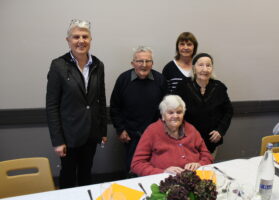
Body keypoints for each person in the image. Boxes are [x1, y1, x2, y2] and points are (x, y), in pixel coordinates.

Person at [46, 19, 107, 188]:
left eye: (85, 36)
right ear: (68, 41)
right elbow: (52, 106)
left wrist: (102, 130)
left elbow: (100, 100)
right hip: (69, 135)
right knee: (68, 175)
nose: (81, 41)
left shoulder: (98, 65)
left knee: (86, 173)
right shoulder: (58, 65)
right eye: (76, 37)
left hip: (91, 133)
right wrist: (57, 140)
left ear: (90, 39)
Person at [110, 46, 167, 174]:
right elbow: (115, 107)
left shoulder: (160, 80)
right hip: (131, 137)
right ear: (133, 63)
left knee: (154, 171)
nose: (144, 65)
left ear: (152, 63)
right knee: (133, 170)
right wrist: (120, 129)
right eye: (140, 61)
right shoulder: (123, 79)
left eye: (148, 61)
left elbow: (166, 108)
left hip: (156, 136)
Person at [131, 95, 213, 176]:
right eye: (170, 112)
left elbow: (207, 156)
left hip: (194, 177)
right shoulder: (152, 131)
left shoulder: (191, 129)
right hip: (164, 180)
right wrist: (163, 172)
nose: (175, 116)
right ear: (163, 115)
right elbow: (137, 164)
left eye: (179, 112)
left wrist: (199, 164)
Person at [176, 53, 233, 153]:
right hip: (187, 142)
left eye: (208, 65)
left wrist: (220, 130)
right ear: (194, 68)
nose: (205, 69)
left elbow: (228, 111)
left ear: (212, 68)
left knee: (208, 168)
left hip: (211, 142)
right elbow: (174, 111)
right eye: (201, 65)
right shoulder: (183, 86)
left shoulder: (219, 87)